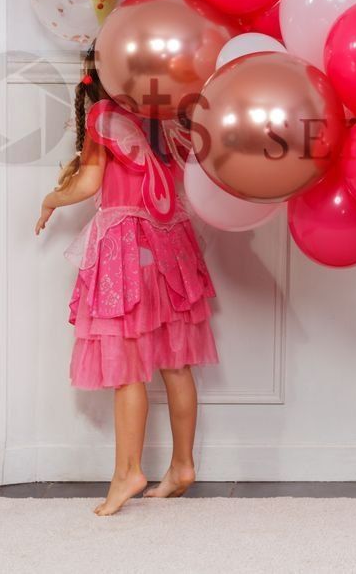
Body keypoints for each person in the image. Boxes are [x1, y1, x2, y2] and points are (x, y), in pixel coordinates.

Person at [36, 47, 218, 515]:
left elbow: (89, 184)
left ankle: (128, 472)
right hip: (170, 242)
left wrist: (53, 197)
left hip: (126, 246)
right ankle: (181, 465)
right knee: (176, 363)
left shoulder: (104, 114)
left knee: (128, 362)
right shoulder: (167, 115)